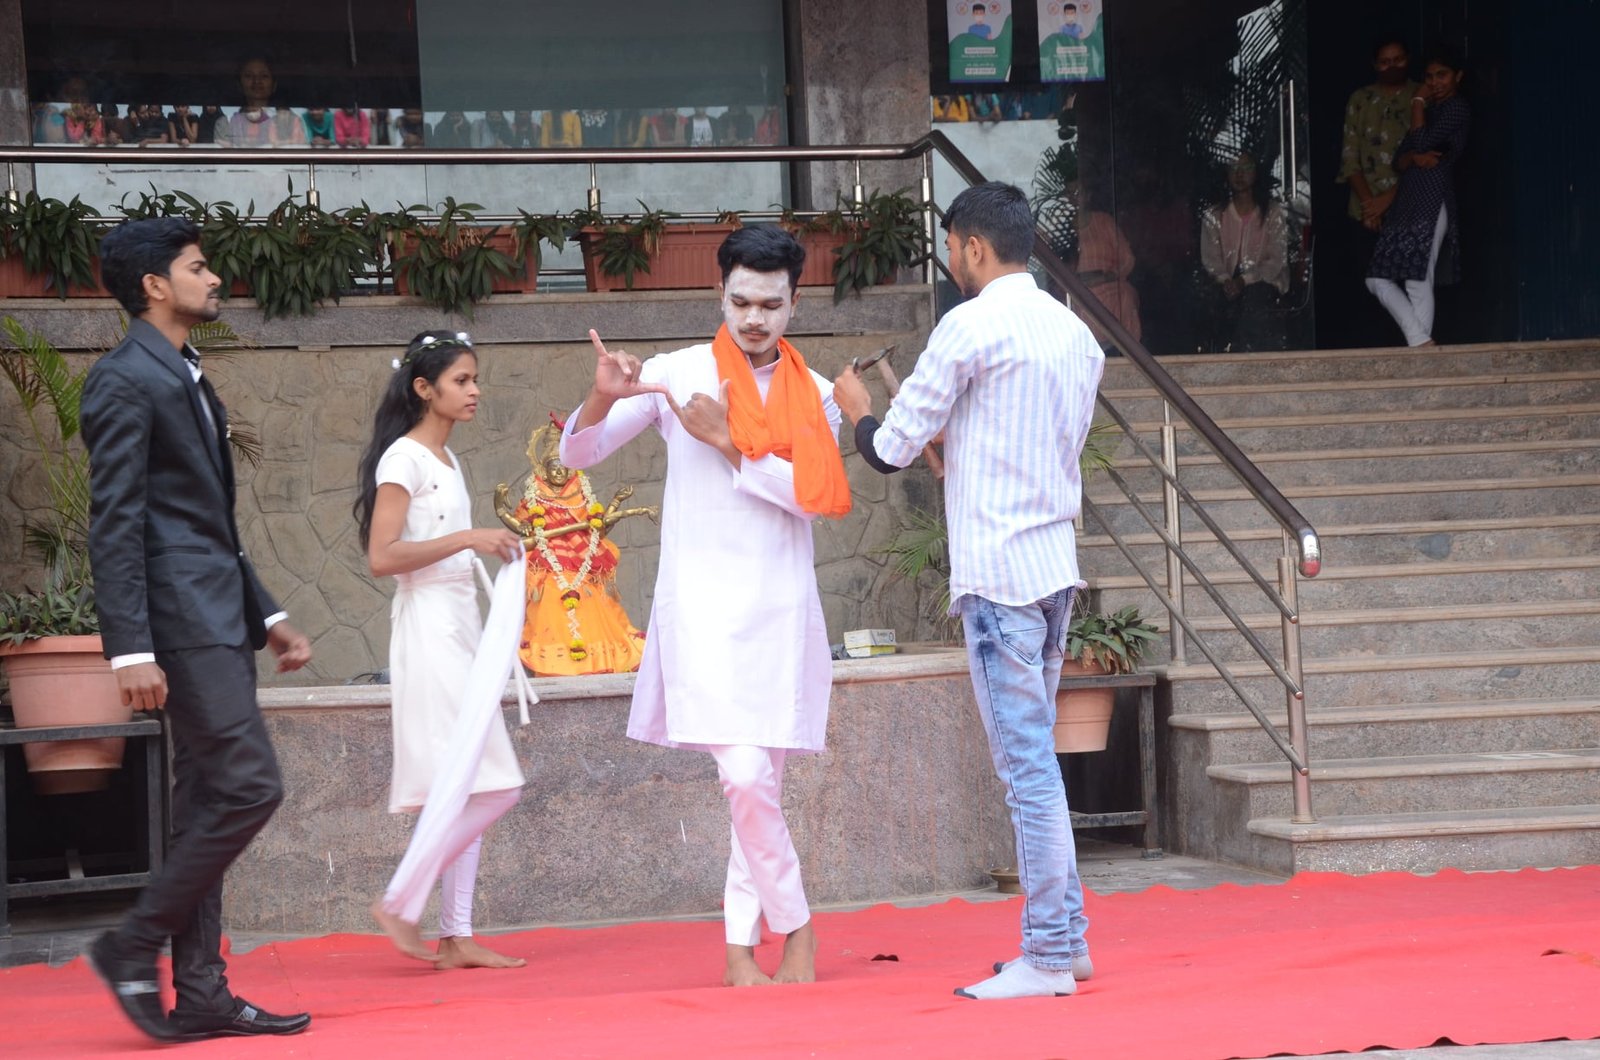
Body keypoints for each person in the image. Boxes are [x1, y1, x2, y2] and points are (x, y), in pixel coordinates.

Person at [559, 225, 852, 987]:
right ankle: (798, 928)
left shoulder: (818, 395)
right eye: (741, 301)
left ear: (795, 304)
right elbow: (577, 455)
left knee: (757, 787)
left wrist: (728, 443)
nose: (755, 318)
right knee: (745, 777)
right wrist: (601, 394)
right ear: (718, 293)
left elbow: (812, 500)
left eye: (771, 305)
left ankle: (737, 949)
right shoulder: (675, 374)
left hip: (779, 607)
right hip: (701, 608)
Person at [832, 182, 1103, 1001]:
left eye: (951, 247)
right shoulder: (1075, 333)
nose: (950, 261)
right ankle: (1068, 942)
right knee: (1037, 764)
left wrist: (856, 410)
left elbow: (889, 448)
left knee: (1027, 772)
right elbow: (1047, 445)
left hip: (999, 574)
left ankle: (1049, 954)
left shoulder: (970, 325)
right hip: (1053, 567)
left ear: (976, 247)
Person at [80, 218, 314, 1042]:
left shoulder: (183, 372)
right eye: (199, 267)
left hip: (214, 611)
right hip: (180, 621)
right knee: (251, 787)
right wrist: (129, 648)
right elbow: (116, 520)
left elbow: (204, 520)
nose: (214, 279)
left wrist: (268, 614)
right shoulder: (123, 379)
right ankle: (132, 942)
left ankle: (203, 991)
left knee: (210, 800)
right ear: (155, 285)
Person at [354, 330, 529, 968]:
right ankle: (402, 898)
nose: (474, 390)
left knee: (470, 782)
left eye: (475, 378)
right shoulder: (404, 459)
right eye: (461, 380)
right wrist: (470, 539)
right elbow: (382, 557)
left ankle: (456, 934)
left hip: (461, 623)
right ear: (424, 389)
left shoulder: (447, 459)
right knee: (495, 785)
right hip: (429, 627)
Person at [493, 420, 654, 677]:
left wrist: (616, 502)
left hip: (584, 566)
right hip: (548, 565)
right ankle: (555, 664)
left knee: (593, 607)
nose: (558, 472)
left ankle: (596, 663)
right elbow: (523, 529)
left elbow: (598, 532)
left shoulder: (582, 495)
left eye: (562, 467)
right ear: (544, 470)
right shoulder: (534, 498)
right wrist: (501, 510)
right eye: (553, 467)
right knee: (549, 603)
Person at [1365, 54, 1470, 347]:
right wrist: (1414, 156)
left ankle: (1419, 347)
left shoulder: (1457, 107)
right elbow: (1400, 159)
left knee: (1417, 278)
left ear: (1458, 76)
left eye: (1442, 75)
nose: (1434, 82)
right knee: (1377, 278)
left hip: (1433, 197)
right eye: (1429, 77)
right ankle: (1421, 342)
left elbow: (1421, 142)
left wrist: (1417, 102)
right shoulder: (1431, 111)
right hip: (1408, 199)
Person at [1200, 150, 1290, 351]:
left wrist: (1244, 280)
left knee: (1255, 300)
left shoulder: (1273, 213)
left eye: (1246, 168)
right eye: (1234, 168)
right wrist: (1226, 280)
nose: (1239, 174)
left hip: (1262, 285)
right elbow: (1210, 258)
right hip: (1224, 284)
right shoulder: (1214, 215)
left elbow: (1276, 259)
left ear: (1256, 172)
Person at [1338, 40, 1418, 238]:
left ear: (1408, 59)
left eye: (1398, 60)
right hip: (1366, 213)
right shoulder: (1360, 99)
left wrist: (1388, 199)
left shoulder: (1421, 95)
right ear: (1375, 65)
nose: (1392, 66)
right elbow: (1350, 159)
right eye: (1384, 62)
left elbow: (1424, 156)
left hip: (1411, 209)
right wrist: (1370, 207)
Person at [1069, 179, 1142, 342]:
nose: (1074, 197)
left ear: (1088, 196)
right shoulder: (1064, 227)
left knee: (1126, 297)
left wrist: (1107, 276)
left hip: (1109, 283)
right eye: (1070, 193)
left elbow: (1127, 258)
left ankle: (1129, 352)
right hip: (1076, 288)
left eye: (1078, 192)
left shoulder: (1104, 221)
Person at [216, 58, 305, 146]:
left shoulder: (290, 122)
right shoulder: (226, 122)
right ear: (239, 84)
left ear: (274, 85)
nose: (257, 81)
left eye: (264, 76)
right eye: (249, 76)